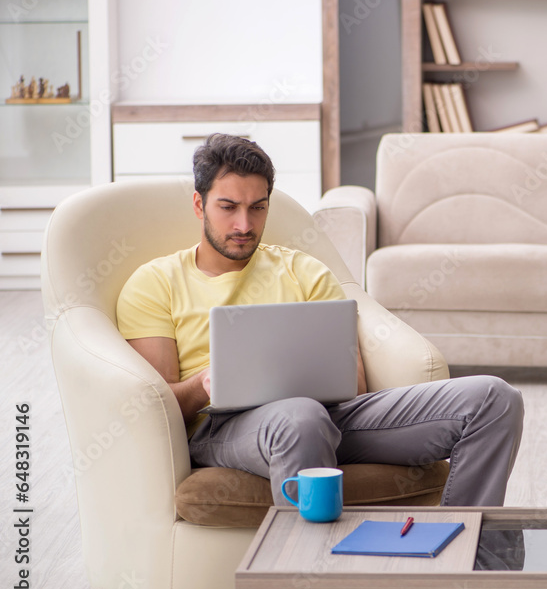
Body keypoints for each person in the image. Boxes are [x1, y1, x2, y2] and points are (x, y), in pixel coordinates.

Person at [116, 133, 523, 507]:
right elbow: (159, 404)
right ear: (199, 204)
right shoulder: (155, 283)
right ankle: (308, 578)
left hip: (332, 415)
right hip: (222, 427)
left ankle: (470, 553)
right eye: (228, 207)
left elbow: (355, 386)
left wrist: (302, 378)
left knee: (495, 399)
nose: (244, 225)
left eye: (257, 208)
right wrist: (205, 383)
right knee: (301, 417)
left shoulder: (304, 271)